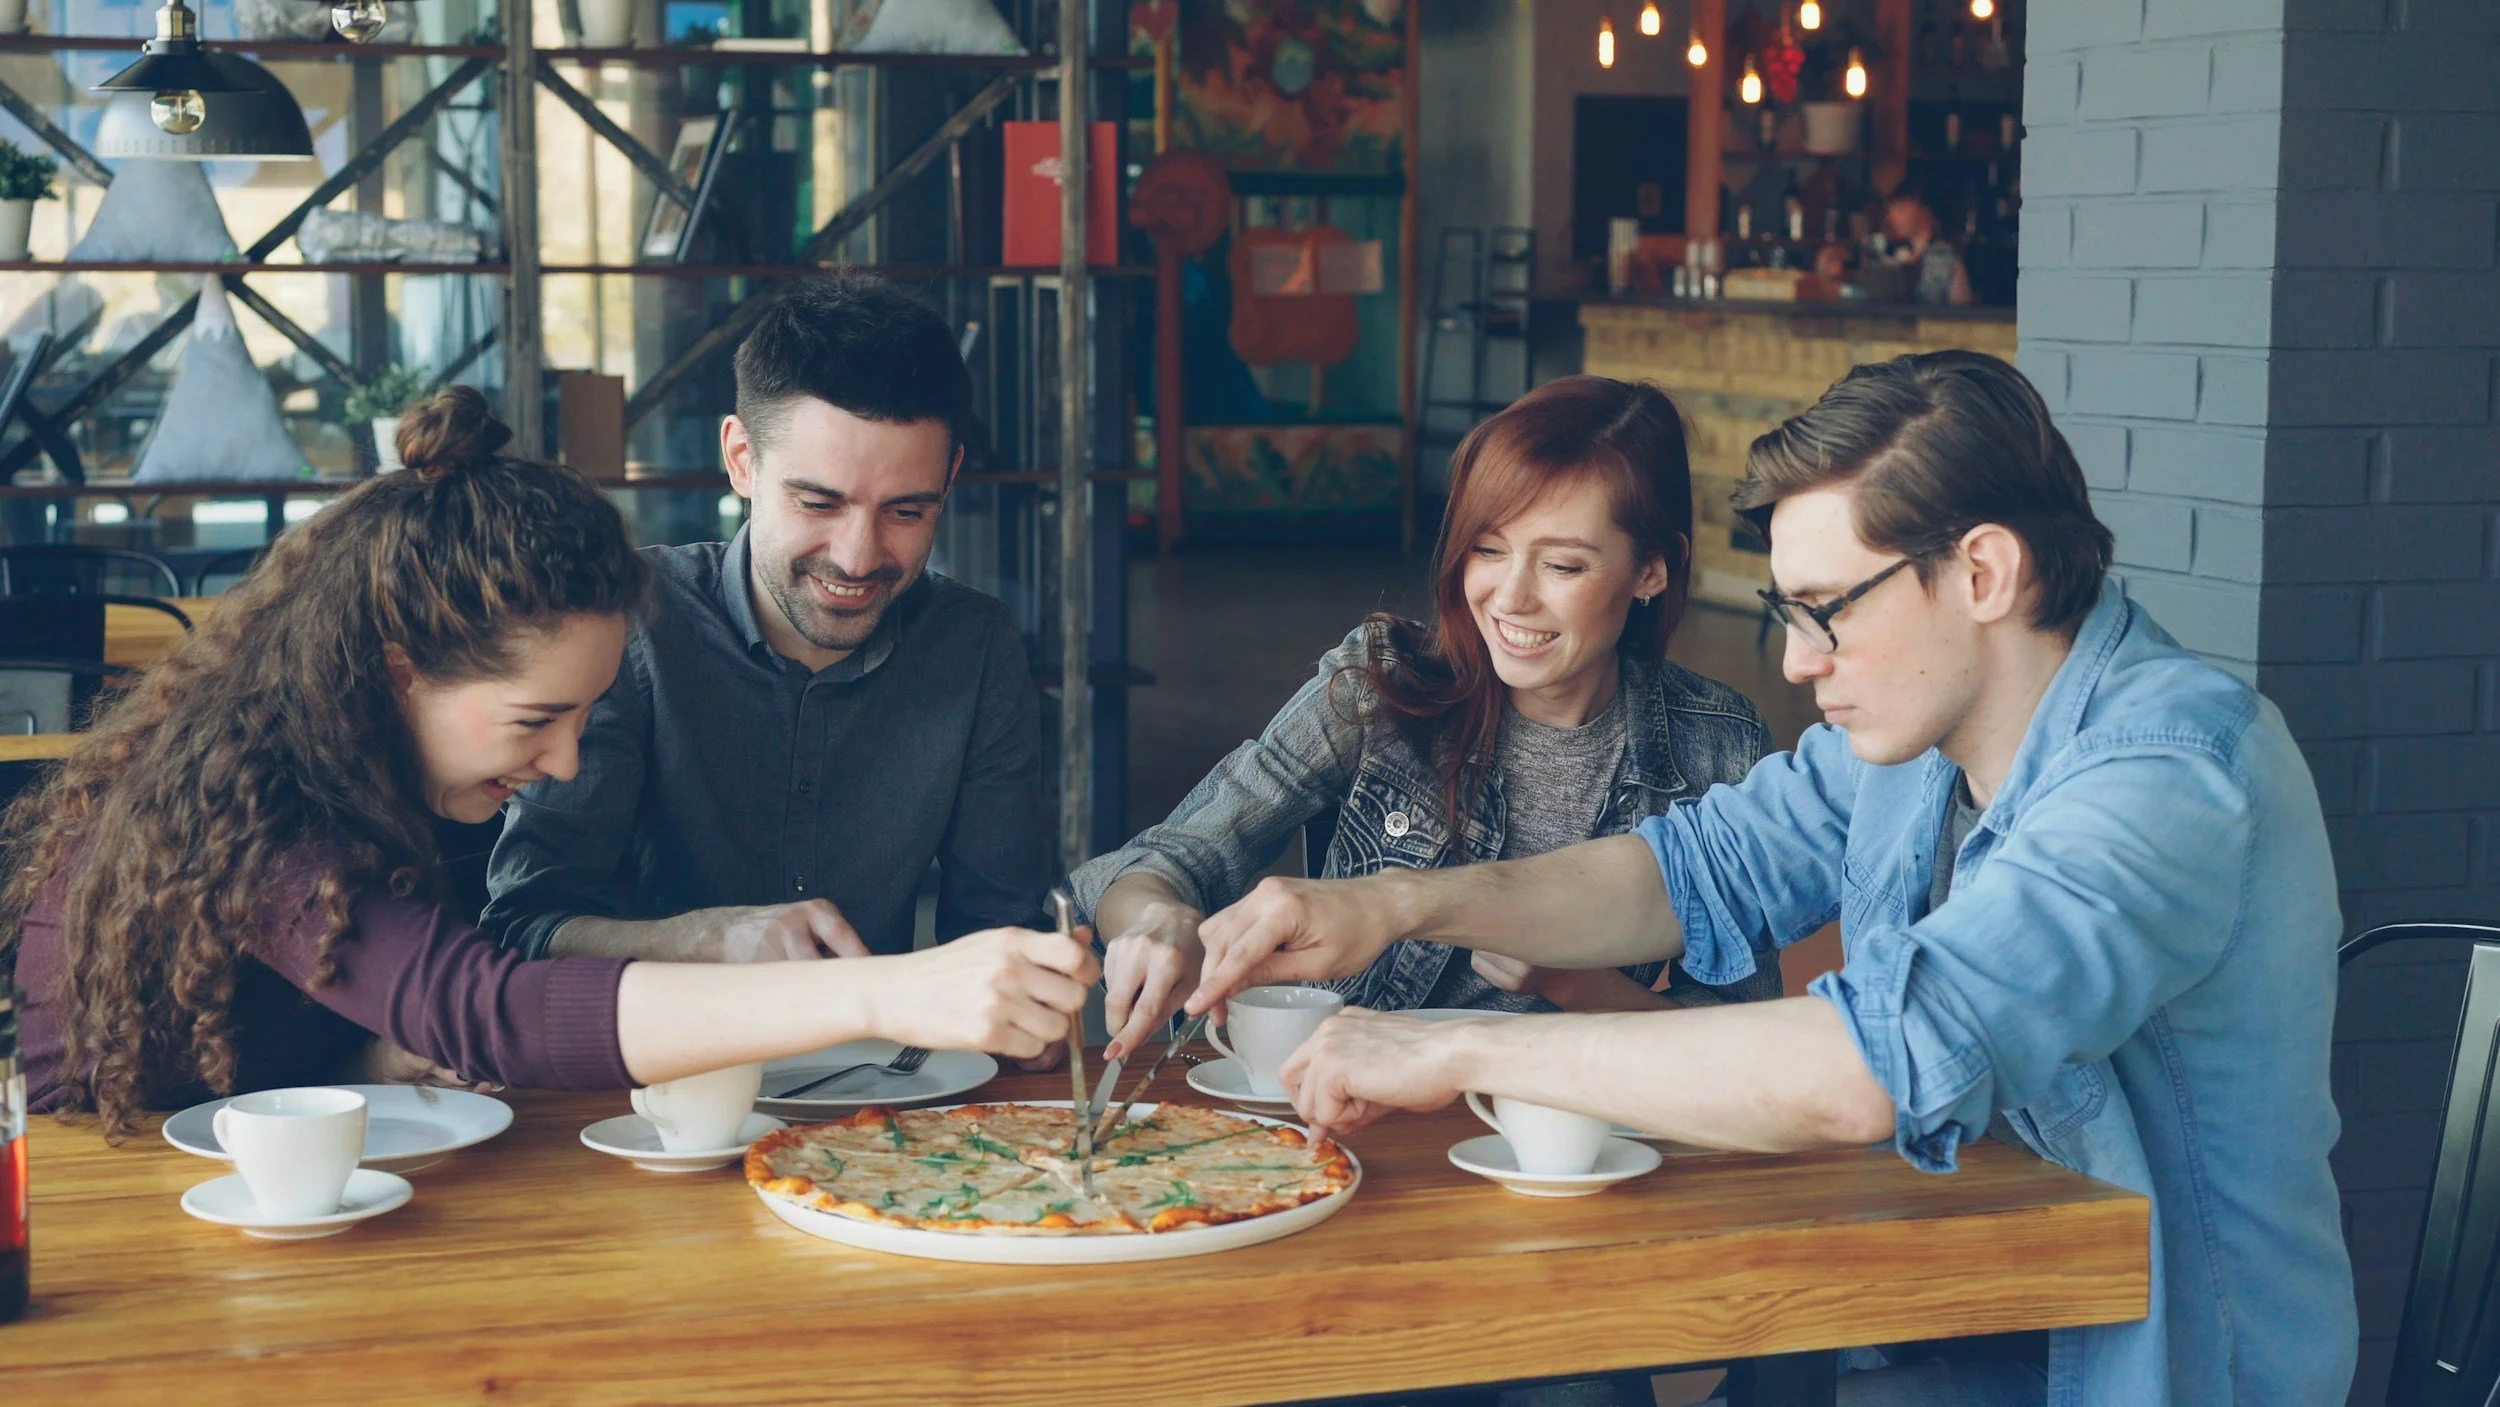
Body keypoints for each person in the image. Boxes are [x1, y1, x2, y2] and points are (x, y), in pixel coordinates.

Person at [1179, 352, 2357, 1404]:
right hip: (1915, 1310)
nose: (1797, 663)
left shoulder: (2168, 774)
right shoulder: (1900, 738)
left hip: (2119, 1365)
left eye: (1824, 612)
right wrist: (1388, 903)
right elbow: (1679, 873)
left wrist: (1452, 1045)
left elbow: (1870, 1070)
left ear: (1983, 572)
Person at [2, 391, 1094, 1136]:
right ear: (399, 674)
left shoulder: (372, 764)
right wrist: (895, 991)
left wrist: (371, 1063)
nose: (565, 764)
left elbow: (324, 1026)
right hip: (110, 1205)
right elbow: (491, 1008)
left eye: (581, 719)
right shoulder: (266, 810)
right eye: (537, 720)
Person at [1071, 376, 1782, 1065]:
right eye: (1489, 548)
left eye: (1562, 565)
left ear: (1653, 569)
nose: (1510, 598)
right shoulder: (1384, 682)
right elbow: (1157, 862)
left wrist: (1571, 981)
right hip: (1345, 1113)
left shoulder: (1717, 746)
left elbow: (1747, 1048)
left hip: (1563, 1137)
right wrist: (1159, 919)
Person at [481, 270, 1050, 973]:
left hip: (881, 1074)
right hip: (650, 1072)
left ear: (951, 477)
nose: (858, 557)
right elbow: (524, 926)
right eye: (819, 504)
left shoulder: (974, 645)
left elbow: (1000, 935)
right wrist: (704, 939)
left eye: (907, 511)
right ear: (741, 460)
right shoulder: (626, 623)